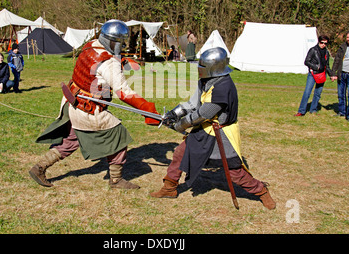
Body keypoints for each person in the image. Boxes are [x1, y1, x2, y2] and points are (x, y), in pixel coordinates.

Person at [29, 19, 160, 189]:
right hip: (88, 109)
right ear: (113, 42)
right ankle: (116, 180)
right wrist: (148, 109)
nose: (122, 46)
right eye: (120, 43)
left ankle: (39, 168)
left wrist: (121, 61)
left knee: (69, 142)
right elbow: (124, 92)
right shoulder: (109, 64)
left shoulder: (91, 45)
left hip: (72, 102)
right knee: (119, 136)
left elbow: (97, 66)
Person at [150, 47, 276, 210]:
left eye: (202, 66)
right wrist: (174, 113)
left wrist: (179, 125)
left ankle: (261, 191)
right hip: (204, 129)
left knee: (234, 172)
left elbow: (203, 113)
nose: (199, 69)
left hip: (221, 133)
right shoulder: (206, 80)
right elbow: (192, 104)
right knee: (180, 153)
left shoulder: (223, 87)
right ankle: (169, 188)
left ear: (213, 68)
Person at [295, 35, 331, 116]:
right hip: (313, 74)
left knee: (318, 93)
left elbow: (327, 65)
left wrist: (331, 75)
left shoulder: (326, 52)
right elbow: (306, 61)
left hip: (322, 75)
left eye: (325, 43)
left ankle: (313, 109)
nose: (323, 45)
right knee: (307, 92)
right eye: (322, 42)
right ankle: (301, 111)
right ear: (319, 41)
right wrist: (315, 67)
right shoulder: (313, 50)